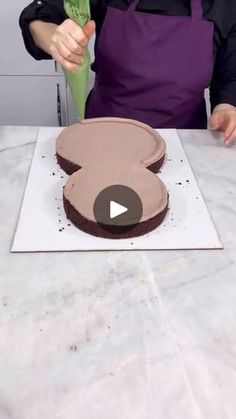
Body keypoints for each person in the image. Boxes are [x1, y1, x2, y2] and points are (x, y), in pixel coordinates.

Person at [20, 0, 236, 145]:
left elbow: (229, 76)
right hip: (103, 135)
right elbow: (40, 16)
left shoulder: (224, 5)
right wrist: (55, 38)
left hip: (182, 142)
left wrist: (226, 106)